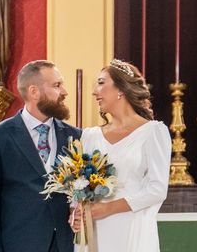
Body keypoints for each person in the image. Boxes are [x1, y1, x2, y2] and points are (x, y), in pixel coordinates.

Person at [0, 60, 81, 252]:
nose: (65, 92)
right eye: (57, 85)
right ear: (34, 92)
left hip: (65, 246)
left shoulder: (74, 136)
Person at [77, 59, 171, 252]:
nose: (95, 91)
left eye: (101, 83)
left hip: (132, 226)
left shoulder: (153, 132)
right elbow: (80, 185)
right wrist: (76, 213)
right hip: (95, 230)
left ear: (121, 89)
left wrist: (109, 208)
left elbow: (157, 189)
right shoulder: (90, 136)